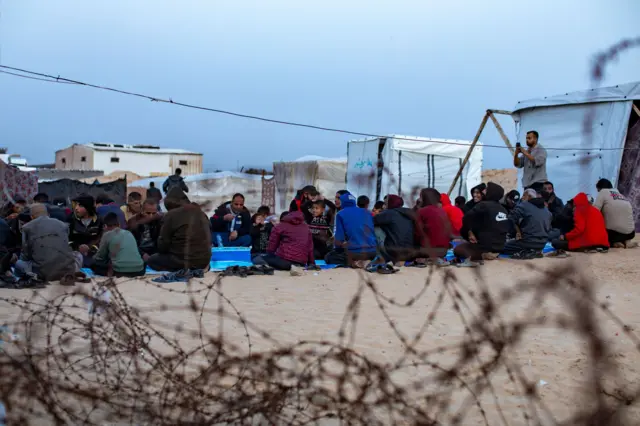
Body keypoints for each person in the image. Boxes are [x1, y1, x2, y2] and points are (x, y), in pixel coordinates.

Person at [147, 187, 211, 272]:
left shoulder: (171, 215)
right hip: (204, 261)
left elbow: (163, 246)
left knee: (152, 260)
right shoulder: (201, 213)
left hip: (183, 261)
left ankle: (181, 269)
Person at [14, 203, 78, 281]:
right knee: (78, 255)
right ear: (48, 214)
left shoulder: (27, 227)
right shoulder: (63, 225)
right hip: (67, 271)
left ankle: (21, 278)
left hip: (42, 273)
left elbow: (26, 256)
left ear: (31, 216)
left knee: (19, 263)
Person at [455, 182, 509, 267]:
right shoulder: (503, 209)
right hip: (499, 249)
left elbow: (466, 218)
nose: (484, 191)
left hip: (484, 249)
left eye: (486, 190)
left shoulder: (483, 205)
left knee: (457, 250)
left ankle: (475, 257)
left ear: (491, 192)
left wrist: (469, 232)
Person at [325, 192, 377, 266]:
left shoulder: (341, 214)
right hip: (373, 251)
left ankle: (355, 263)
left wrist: (337, 249)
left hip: (357, 252)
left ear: (343, 202)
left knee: (329, 257)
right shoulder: (368, 212)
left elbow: (339, 238)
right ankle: (369, 261)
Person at [90, 212, 145, 277]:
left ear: (105, 226)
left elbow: (100, 257)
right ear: (119, 224)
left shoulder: (107, 234)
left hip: (119, 271)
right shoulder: (129, 233)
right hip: (140, 271)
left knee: (93, 264)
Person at [502, 189, 552, 257]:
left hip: (528, 243)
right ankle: (533, 251)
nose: (522, 198)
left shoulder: (525, 205)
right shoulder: (547, 210)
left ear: (529, 196)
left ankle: (526, 251)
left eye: (524, 195)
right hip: (542, 244)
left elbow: (510, 218)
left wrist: (516, 232)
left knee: (501, 247)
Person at [593, 178, 636, 248]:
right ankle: (627, 241)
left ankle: (614, 242)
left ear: (600, 188)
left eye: (598, 190)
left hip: (613, 233)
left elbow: (594, 211)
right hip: (630, 233)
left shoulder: (603, 192)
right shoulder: (619, 194)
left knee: (597, 229)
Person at [373, 195, 416, 263]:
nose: (384, 206)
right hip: (409, 253)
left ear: (390, 203)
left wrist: (379, 213)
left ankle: (380, 257)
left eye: (385, 203)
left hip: (394, 253)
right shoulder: (408, 213)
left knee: (376, 229)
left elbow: (371, 221)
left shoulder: (389, 213)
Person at [416, 189, 451, 264]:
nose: (419, 199)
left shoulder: (421, 211)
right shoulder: (442, 211)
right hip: (444, 251)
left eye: (421, 197)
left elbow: (417, 233)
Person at [69, 194, 103, 267]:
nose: (76, 208)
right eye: (76, 205)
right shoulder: (71, 220)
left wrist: (90, 247)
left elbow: (102, 238)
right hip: (76, 257)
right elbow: (67, 239)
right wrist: (78, 247)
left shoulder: (99, 221)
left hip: (94, 257)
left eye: (80, 206)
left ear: (88, 207)